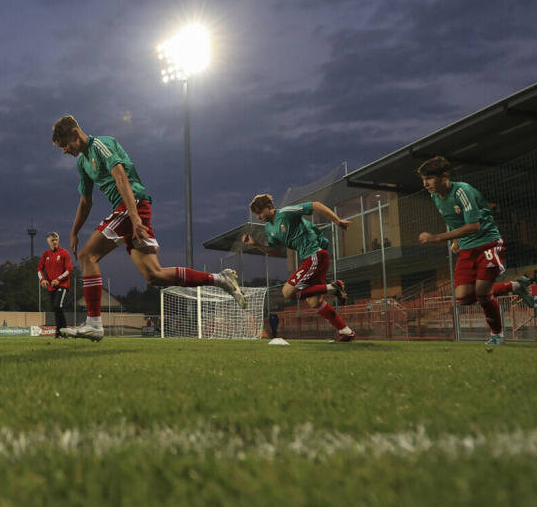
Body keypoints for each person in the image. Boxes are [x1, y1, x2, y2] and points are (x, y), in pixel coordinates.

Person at [51, 115, 245, 342]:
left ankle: (94, 323)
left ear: (75, 134)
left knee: (87, 256)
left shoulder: (101, 145)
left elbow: (121, 178)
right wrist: (74, 231)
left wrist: (134, 218)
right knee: (154, 275)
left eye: (65, 145)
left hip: (131, 205)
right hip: (129, 209)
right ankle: (220, 279)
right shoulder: (82, 163)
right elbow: (86, 202)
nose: (64, 151)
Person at [416, 156, 534, 350]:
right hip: (467, 248)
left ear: (444, 176)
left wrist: (438, 238)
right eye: (423, 179)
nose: (425, 183)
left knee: (482, 294)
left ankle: (497, 334)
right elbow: (454, 219)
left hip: (488, 243)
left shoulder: (462, 190)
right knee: (464, 298)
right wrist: (455, 240)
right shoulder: (436, 197)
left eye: (429, 178)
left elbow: (473, 226)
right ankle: (514, 286)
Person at [242, 194, 356, 342]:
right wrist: (256, 245)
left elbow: (315, 204)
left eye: (259, 212)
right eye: (256, 214)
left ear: (269, 207)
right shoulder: (269, 228)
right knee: (315, 302)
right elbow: (275, 250)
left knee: (287, 292)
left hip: (315, 255)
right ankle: (346, 332)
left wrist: (337, 220)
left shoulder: (286, 213)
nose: (258, 217)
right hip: (311, 258)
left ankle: (334, 287)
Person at [38, 231, 73, 338]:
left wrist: (58, 279)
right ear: (48, 242)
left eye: (56, 239)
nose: (54, 242)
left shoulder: (64, 253)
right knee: (56, 308)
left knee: (58, 305)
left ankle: (61, 331)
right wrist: (42, 280)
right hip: (51, 287)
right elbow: (39, 269)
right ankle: (61, 332)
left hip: (62, 285)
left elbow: (69, 270)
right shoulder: (46, 255)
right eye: (52, 240)